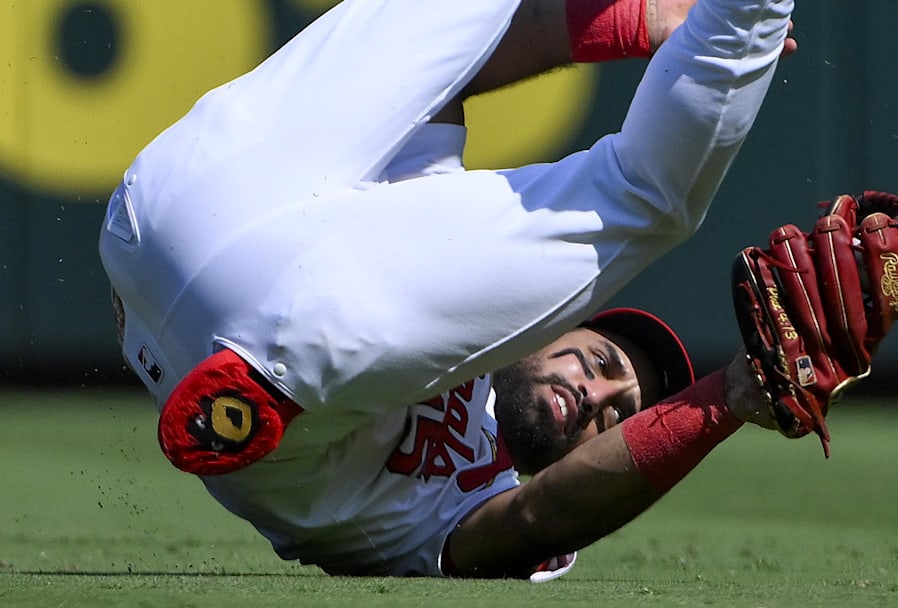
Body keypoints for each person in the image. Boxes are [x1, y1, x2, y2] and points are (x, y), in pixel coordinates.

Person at [99, 0, 796, 580]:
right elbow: (439, 80)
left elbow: (536, 518)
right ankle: (273, 359)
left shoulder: (479, 503)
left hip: (257, 351)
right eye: (605, 363)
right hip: (183, 198)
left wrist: (724, 400)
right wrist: (631, 23)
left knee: (652, 200)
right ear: (559, 320)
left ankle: (276, 369)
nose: (596, 395)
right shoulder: (441, 248)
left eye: (615, 417)